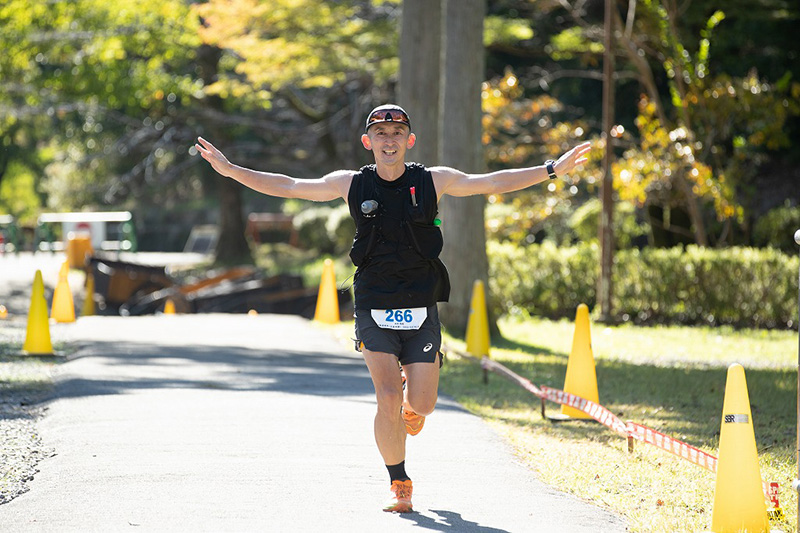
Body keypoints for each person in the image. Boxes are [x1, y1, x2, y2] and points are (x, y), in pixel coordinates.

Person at [195, 104, 590, 513]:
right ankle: (399, 482)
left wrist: (551, 169)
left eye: (397, 133)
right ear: (367, 142)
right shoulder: (350, 183)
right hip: (374, 301)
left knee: (423, 405)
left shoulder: (433, 180)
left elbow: (489, 182)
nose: (389, 140)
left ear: (409, 140)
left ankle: (412, 400)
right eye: (381, 134)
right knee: (386, 396)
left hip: (420, 300)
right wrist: (232, 171)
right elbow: (291, 185)